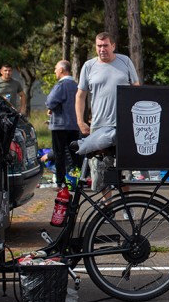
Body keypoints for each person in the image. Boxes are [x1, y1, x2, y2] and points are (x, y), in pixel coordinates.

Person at [75, 32, 140, 179]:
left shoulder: (125, 61)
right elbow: (80, 95)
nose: (102, 49)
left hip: (124, 125)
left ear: (113, 46)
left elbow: (136, 89)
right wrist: (80, 121)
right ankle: (106, 202)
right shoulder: (89, 66)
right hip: (99, 125)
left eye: (105, 46)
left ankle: (125, 202)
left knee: (125, 171)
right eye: (99, 46)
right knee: (100, 172)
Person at [46, 60, 81, 189]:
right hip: (74, 124)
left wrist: (50, 107)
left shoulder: (61, 85)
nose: (55, 71)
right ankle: (76, 180)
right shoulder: (76, 85)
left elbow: (51, 101)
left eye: (56, 68)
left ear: (61, 70)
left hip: (60, 125)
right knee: (75, 154)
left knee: (59, 153)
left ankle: (60, 182)